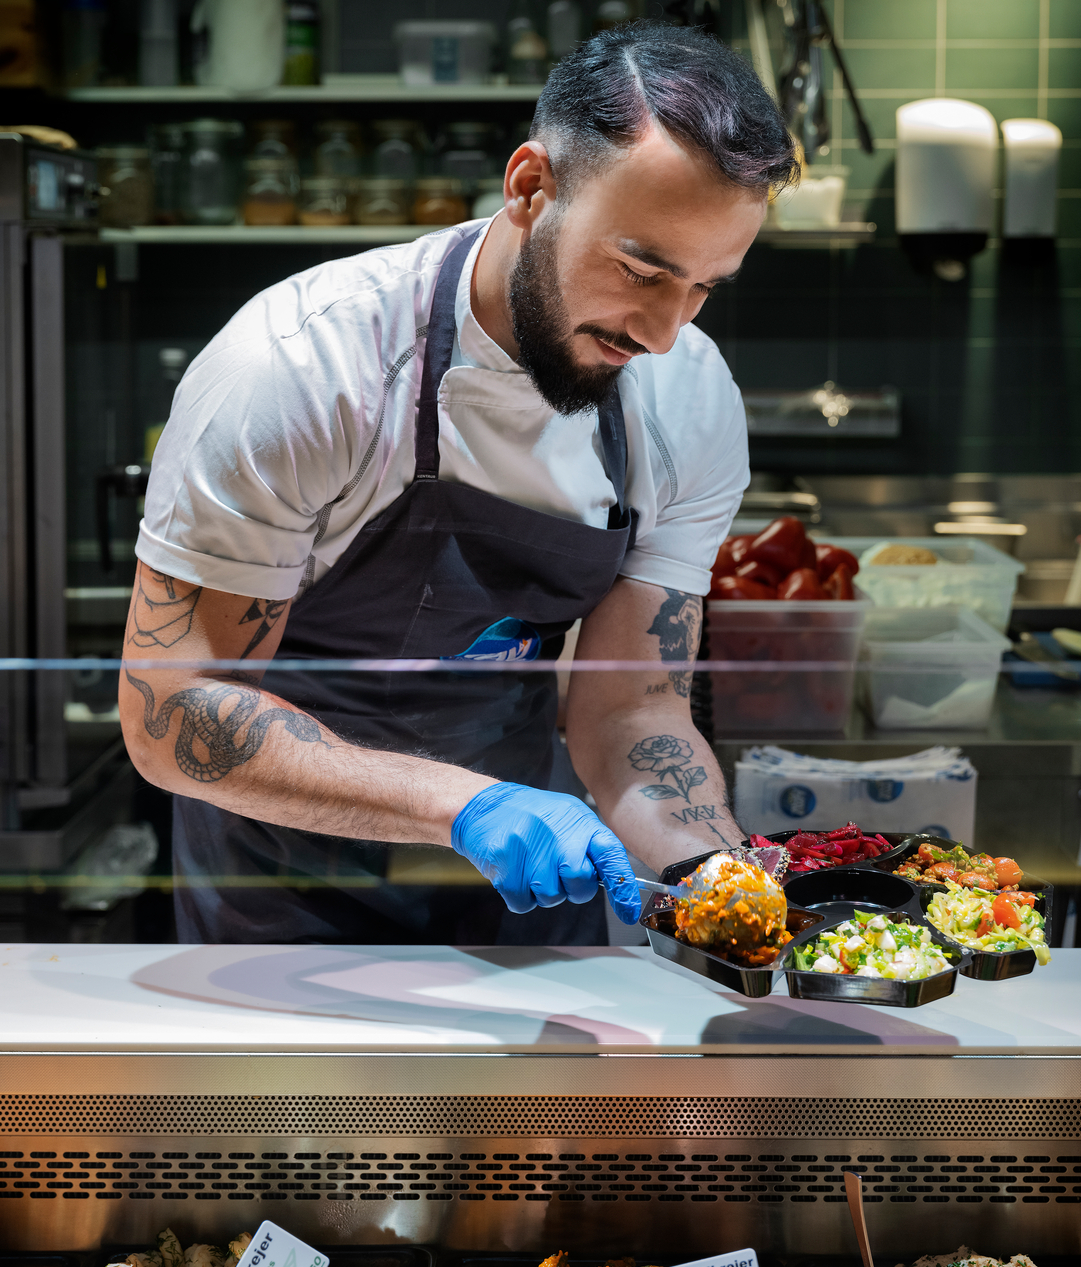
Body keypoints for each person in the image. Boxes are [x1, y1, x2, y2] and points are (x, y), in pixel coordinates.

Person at [119, 21, 797, 944]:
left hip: (534, 889)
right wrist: (464, 807)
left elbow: (631, 702)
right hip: (279, 902)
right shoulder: (305, 367)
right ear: (529, 187)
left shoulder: (686, 396)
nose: (662, 331)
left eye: (705, 287)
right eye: (640, 270)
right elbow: (173, 708)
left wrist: (711, 879)